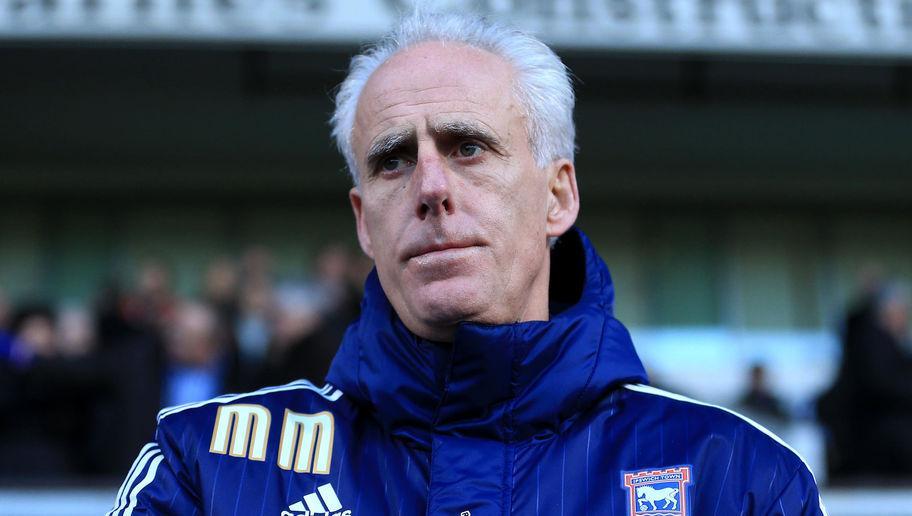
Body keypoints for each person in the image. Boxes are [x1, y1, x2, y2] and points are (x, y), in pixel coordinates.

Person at [109, 11, 826, 515]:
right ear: (363, 222)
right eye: (393, 160)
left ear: (558, 195)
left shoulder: (736, 478)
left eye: (468, 148)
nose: (429, 188)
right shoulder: (207, 466)